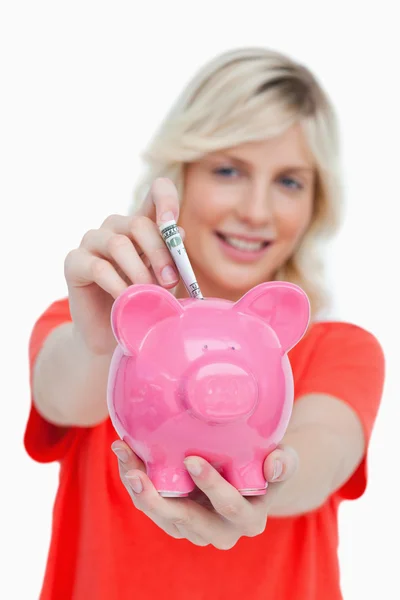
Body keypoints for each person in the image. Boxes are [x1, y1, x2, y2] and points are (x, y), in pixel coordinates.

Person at [25, 47, 385, 600]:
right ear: (182, 175)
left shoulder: (341, 349)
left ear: (316, 204)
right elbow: (61, 397)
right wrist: (100, 342)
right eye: (228, 170)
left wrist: (268, 483)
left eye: (289, 182)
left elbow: (323, 451)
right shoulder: (98, 325)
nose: (257, 211)